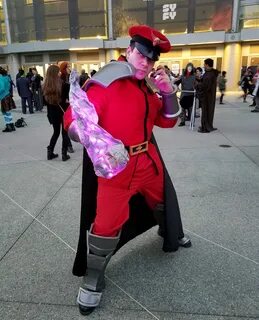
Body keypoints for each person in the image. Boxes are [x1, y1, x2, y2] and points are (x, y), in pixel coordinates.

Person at [64, 24, 191, 315]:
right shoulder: (104, 83)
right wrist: (89, 137)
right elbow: (74, 117)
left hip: (147, 161)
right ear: (129, 51)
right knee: (106, 223)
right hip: (117, 168)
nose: (146, 62)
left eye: (151, 59)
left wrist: (168, 92)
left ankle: (170, 231)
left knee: (164, 200)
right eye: (142, 55)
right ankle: (93, 278)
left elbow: (168, 120)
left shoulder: (146, 87)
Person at [42, 65, 71, 161]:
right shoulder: (65, 85)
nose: (60, 73)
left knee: (56, 132)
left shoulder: (45, 87)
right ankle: (64, 154)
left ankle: (50, 152)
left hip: (52, 113)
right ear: (55, 73)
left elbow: (44, 103)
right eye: (58, 71)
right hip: (63, 112)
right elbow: (68, 99)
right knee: (65, 133)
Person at [197, 58, 219, 133]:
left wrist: (197, 84)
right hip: (210, 96)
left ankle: (205, 128)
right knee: (209, 111)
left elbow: (205, 86)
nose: (203, 65)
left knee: (205, 112)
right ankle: (208, 125)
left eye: (204, 64)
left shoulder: (209, 75)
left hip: (206, 97)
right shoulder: (212, 73)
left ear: (207, 64)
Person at [58, 61, 74, 153]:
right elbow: (61, 92)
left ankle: (68, 144)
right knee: (66, 125)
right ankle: (68, 145)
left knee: (69, 124)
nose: (69, 68)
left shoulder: (70, 77)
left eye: (70, 66)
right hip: (64, 104)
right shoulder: (61, 78)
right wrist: (65, 99)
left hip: (69, 103)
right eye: (68, 67)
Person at [0, 67, 16, 132]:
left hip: (3, 96)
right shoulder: (7, 77)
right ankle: (11, 125)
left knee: (4, 112)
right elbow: (9, 86)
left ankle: (8, 126)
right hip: (8, 95)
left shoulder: (0, 78)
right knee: (8, 111)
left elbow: (2, 88)